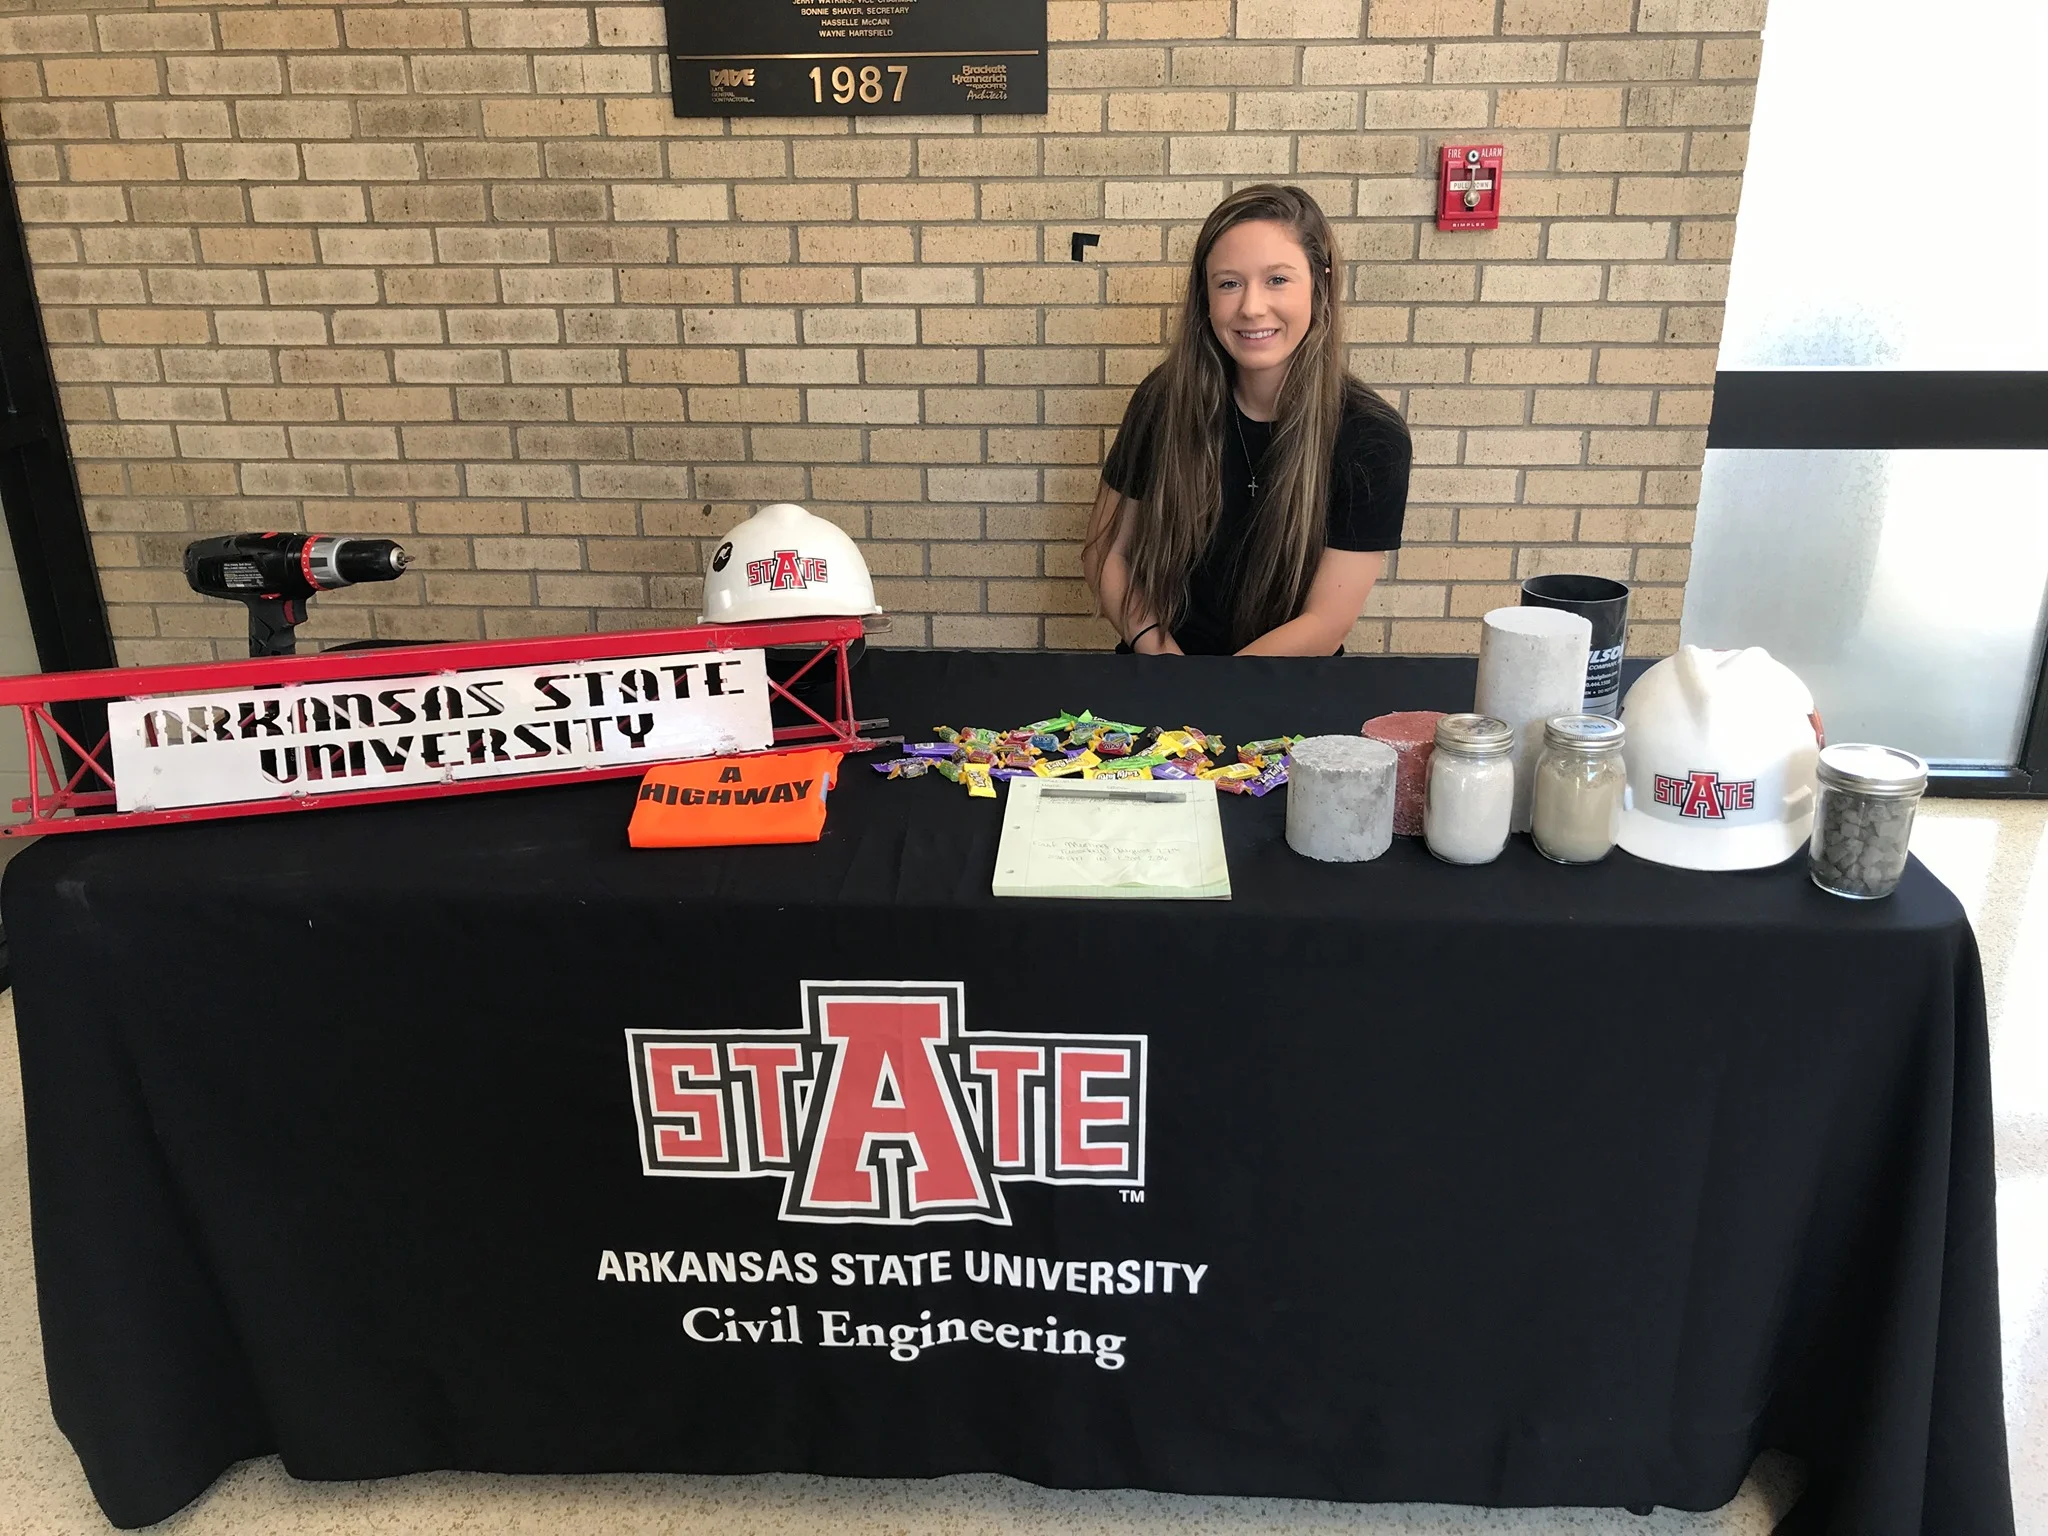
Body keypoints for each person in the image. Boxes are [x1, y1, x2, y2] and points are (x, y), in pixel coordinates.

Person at [1083, 184, 1412, 656]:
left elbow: (1327, 621)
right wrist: (1164, 661)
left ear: (1320, 283)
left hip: (1289, 686)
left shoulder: (1371, 436)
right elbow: (1106, 553)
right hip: (1160, 671)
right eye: (1229, 283)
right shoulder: (1163, 399)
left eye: (1277, 280)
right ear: (1206, 296)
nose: (1251, 306)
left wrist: (1215, 695)